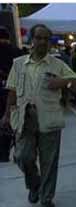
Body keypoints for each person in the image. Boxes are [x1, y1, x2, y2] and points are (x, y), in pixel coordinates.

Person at [1, 24, 76, 207]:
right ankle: (34, 184)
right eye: (39, 38)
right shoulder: (19, 64)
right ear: (32, 40)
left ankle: (46, 197)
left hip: (49, 118)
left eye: (46, 39)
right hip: (24, 118)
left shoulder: (57, 64)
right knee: (22, 156)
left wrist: (63, 82)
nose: (42, 42)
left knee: (49, 161)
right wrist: (6, 115)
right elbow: (12, 91)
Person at [0, 26, 24, 162]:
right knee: (17, 119)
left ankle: (3, 153)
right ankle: (19, 150)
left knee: (2, 121)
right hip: (17, 90)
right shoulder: (18, 52)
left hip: (1, 88)